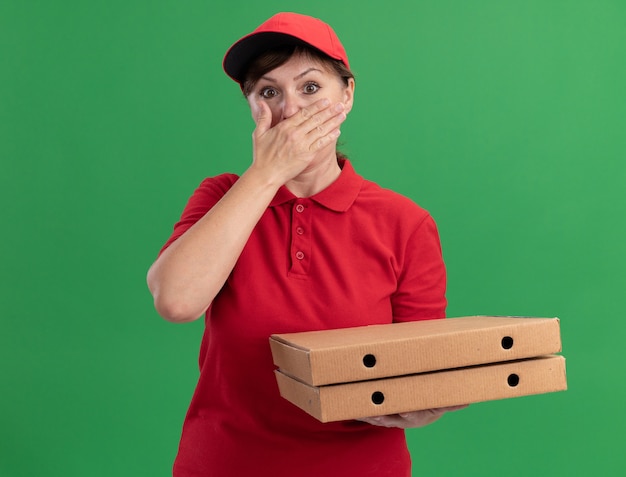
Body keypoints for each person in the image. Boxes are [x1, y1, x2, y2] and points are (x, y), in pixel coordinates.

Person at [147, 12, 465, 477]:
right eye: (268, 92)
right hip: (224, 463)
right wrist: (267, 175)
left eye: (311, 88)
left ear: (347, 95)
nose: (291, 110)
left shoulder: (405, 223)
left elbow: (420, 366)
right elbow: (175, 301)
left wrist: (425, 402)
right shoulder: (221, 197)